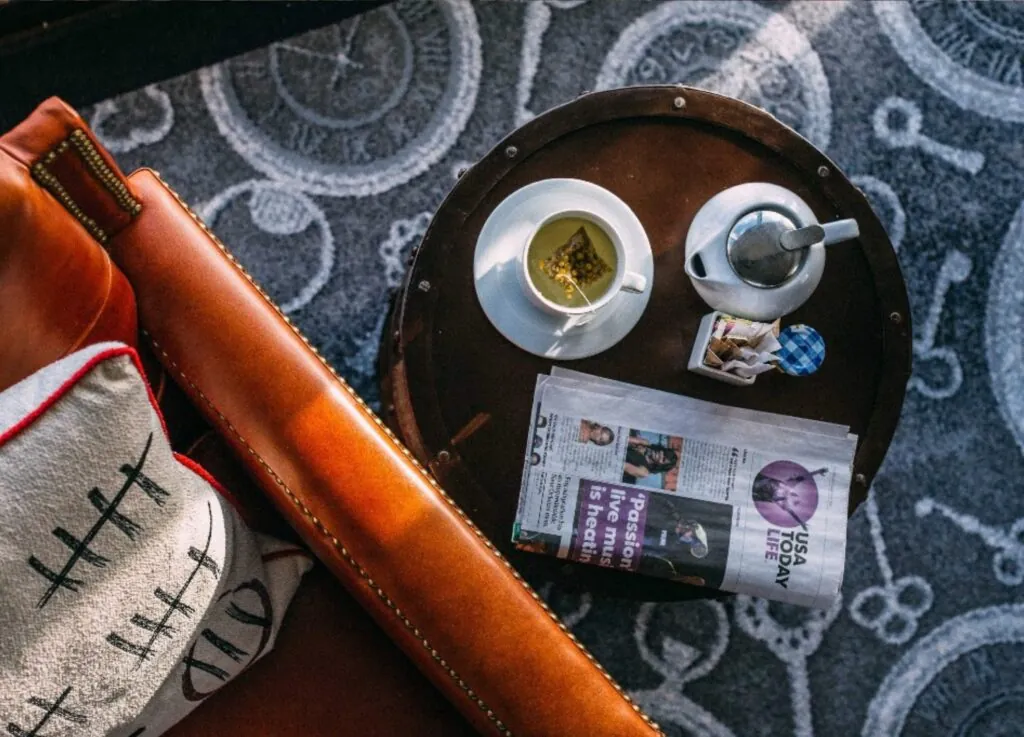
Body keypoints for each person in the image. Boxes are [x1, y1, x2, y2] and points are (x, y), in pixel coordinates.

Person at [752, 467, 828, 529]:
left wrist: (801, 523)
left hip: (760, 493)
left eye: (794, 501)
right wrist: (818, 471)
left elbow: (792, 513)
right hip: (761, 481)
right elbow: (805, 477)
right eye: (795, 496)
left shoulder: (784, 503)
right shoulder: (789, 486)